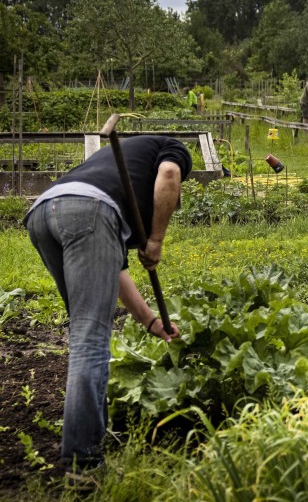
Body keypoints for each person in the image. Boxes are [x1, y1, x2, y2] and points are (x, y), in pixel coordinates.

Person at [23, 135, 192, 473]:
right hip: (86, 210)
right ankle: (84, 462)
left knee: (85, 330)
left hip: (44, 211)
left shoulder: (116, 173)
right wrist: (156, 239)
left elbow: (115, 273)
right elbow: (171, 174)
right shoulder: (172, 147)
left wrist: (151, 322)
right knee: (90, 338)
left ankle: (86, 438)